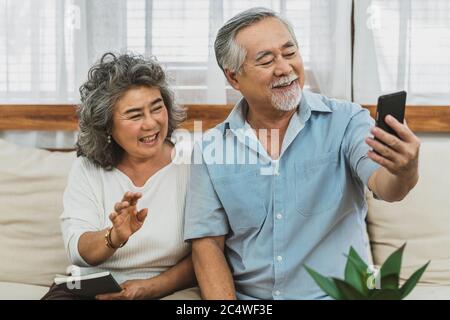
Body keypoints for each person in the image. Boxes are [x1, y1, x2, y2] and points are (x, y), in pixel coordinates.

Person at [184, 7, 420, 299]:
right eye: (266, 60)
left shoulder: (346, 120)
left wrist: (404, 169)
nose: (285, 68)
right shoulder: (209, 150)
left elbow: (387, 186)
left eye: (289, 52)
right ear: (234, 78)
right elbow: (207, 247)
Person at [42, 52, 199, 300]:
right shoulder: (87, 168)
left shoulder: (193, 163)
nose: (151, 123)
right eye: (135, 115)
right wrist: (114, 237)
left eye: (157, 108)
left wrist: (153, 287)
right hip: (87, 288)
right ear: (106, 125)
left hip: (165, 289)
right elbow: (79, 250)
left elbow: (211, 251)